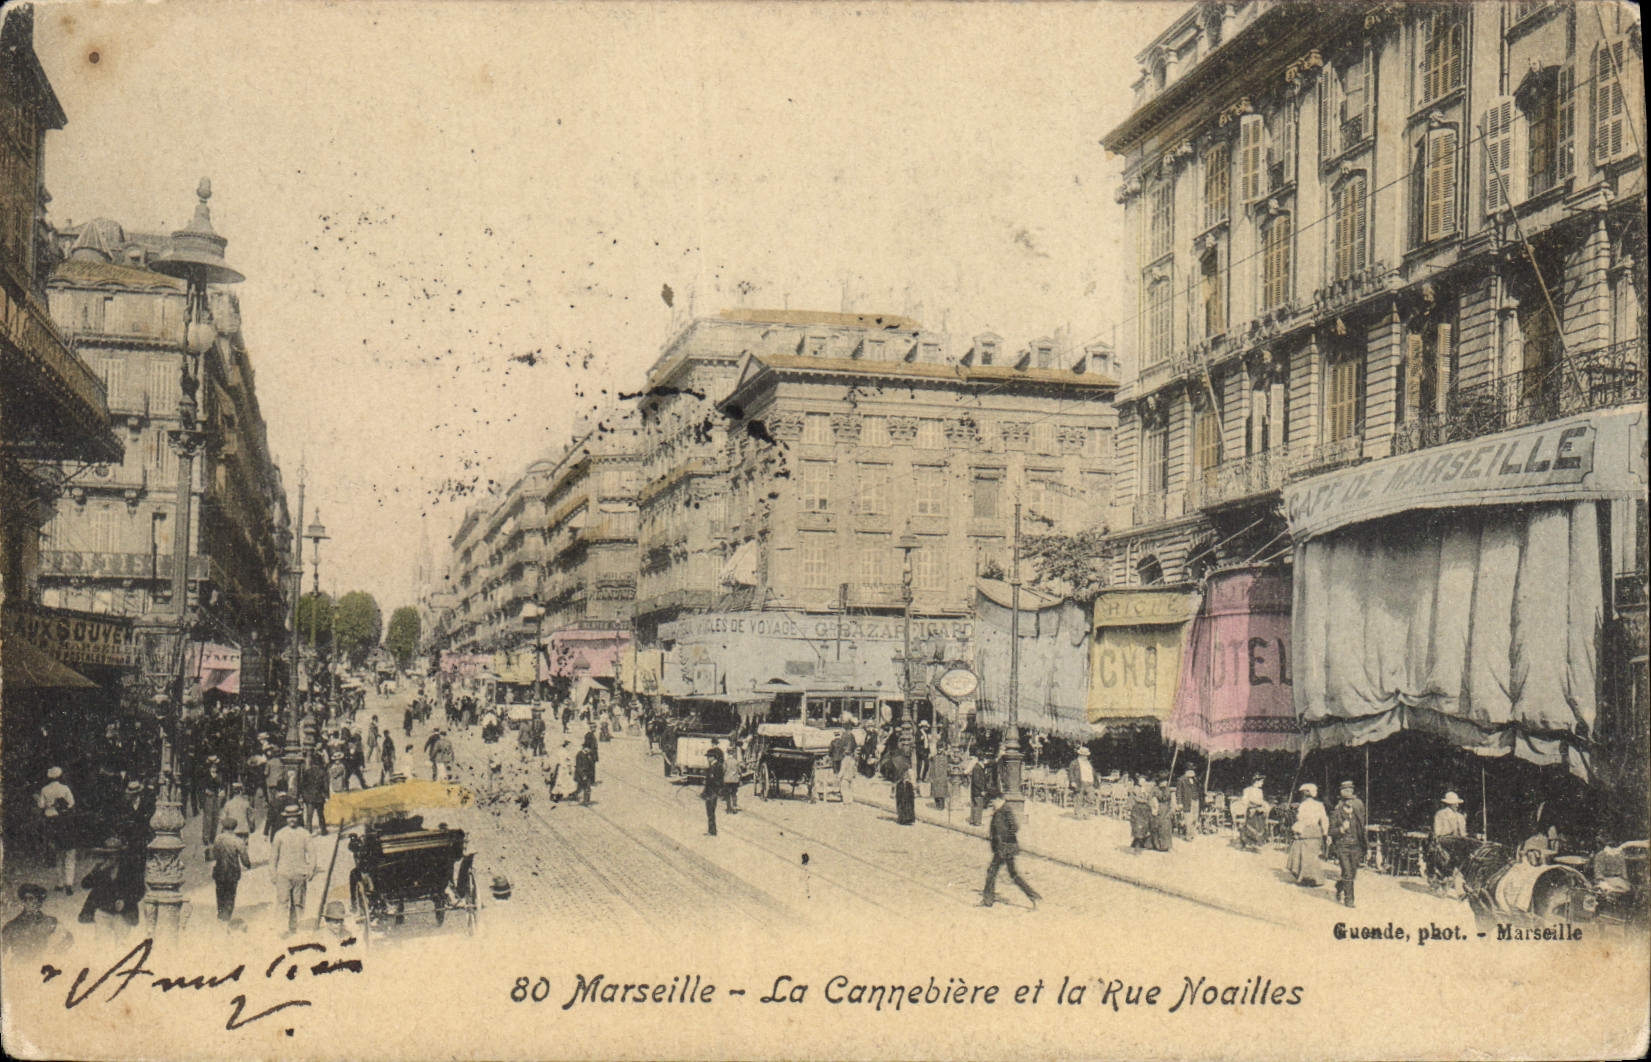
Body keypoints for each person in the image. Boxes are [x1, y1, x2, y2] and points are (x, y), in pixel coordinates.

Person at [980, 792, 1040, 908]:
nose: (992, 804)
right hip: (1003, 848)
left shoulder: (1006, 810)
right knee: (1012, 874)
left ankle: (987, 900)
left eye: (992, 802)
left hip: (1005, 848)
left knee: (992, 872)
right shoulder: (999, 810)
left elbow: (1015, 827)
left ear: (998, 799)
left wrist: (1002, 837)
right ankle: (1032, 895)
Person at [271, 804, 315, 935]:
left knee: (298, 904)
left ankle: (296, 929)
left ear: (298, 817)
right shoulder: (279, 834)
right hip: (283, 874)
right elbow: (273, 856)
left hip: (299, 874)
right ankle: (281, 930)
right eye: (289, 817)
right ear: (285, 818)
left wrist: (311, 869)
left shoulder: (305, 834)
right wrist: (273, 873)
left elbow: (312, 853)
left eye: (294, 817)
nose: (292, 820)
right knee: (282, 902)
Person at [36, 766, 77, 895]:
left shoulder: (44, 789)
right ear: (60, 776)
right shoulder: (65, 788)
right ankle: (69, 883)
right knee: (69, 853)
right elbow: (71, 803)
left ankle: (60, 883)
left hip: (51, 822)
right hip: (64, 822)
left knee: (57, 853)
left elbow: (41, 806)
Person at [1330, 780, 1367, 908]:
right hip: (1343, 846)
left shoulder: (1357, 812)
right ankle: (1349, 900)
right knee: (1347, 872)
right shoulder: (1336, 812)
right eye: (1347, 801)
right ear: (1343, 802)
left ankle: (1340, 885)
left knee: (1353, 873)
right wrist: (1341, 829)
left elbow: (1362, 829)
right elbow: (1331, 831)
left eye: (1352, 800)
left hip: (1356, 846)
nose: (1350, 803)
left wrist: (1364, 846)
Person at [3, 883, 65, 957]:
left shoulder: (51, 922)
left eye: (31, 899)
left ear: (38, 901)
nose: (27, 902)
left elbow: (66, 940)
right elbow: (3, 952)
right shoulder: (11, 926)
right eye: (25, 899)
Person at [211, 817, 253, 923]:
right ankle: (227, 915)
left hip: (219, 870)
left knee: (220, 892)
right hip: (232, 871)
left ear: (223, 827)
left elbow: (214, 854)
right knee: (230, 893)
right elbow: (244, 857)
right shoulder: (238, 840)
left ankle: (221, 914)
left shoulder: (218, 839)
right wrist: (247, 864)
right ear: (234, 827)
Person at [1287, 783, 1329, 886]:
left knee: (1302, 854)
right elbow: (1324, 819)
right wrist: (1325, 832)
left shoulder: (1303, 805)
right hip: (1315, 831)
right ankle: (1314, 878)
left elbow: (1300, 819)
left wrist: (1297, 830)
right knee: (1312, 855)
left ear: (1305, 794)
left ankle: (1304, 877)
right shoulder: (1320, 805)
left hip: (1305, 831)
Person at [1234, 775, 1271, 850]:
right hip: (1251, 811)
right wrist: (1252, 802)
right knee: (1250, 825)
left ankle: (1257, 843)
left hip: (1259, 811)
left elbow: (1261, 801)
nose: (1262, 783)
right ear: (1256, 781)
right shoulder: (1247, 790)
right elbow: (1244, 800)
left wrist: (1264, 805)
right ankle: (1246, 842)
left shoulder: (1260, 791)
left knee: (1260, 825)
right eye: (1261, 781)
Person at [300, 752, 330, 836]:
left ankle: (308, 831)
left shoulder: (307, 771)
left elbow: (303, 784)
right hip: (319, 796)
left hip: (309, 797)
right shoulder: (323, 772)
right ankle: (323, 830)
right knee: (321, 815)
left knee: (309, 816)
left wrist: (303, 795)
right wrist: (326, 795)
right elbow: (326, 785)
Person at [703, 739, 726, 836]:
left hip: (712, 793)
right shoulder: (716, 765)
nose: (707, 759)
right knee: (710, 813)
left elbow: (714, 781)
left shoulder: (714, 767)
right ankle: (711, 830)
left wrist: (708, 791)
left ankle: (712, 831)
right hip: (712, 792)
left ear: (713, 758)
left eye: (709, 757)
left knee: (710, 812)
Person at [830, 724, 858, 805]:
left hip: (842, 769)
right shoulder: (852, 736)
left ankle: (846, 800)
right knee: (850, 786)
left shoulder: (842, 738)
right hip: (850, 774)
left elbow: (843, 768)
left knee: (844, 786)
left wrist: (839, 776)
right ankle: (850, 800)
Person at [221, 783, 253, 849]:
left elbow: (223, 819)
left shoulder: (228, 804)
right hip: (244, 831)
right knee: (243, 850)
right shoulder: (246, 803)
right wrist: (251, 826)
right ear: (241, 792)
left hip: (232, 831)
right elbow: (251, 818)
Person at [1128, 776, 1154, 850]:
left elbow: (1150, 799)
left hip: (1145, 809)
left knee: (1145, 826)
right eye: (1141, 781)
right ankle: (1137, 844)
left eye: (1144, 782)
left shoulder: (1147, 790)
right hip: (1138, 809)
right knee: (1138, 826)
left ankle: (1142, 842)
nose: (1142, 783)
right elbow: (1133, 799)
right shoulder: (1135, 789)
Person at [1151, 774, 1175, 852]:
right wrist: (1155, 809)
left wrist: (1172, 809)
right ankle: (1158, 845)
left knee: (1167, 827)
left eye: (1166, 781)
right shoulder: (1155, 790)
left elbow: (1172, 800)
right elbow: (1153, 799)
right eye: (1163, 781)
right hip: (1159, 809)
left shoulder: (1169, 790)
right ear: (1159, 782)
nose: (1165, 783)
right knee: (1158, 826)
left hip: (1167, 809)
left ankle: (1168, 846)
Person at [1068, 749, 1095, 819]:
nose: (1086, 757)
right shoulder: (1074, 763)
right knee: (1079, 798)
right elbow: (1071, 773)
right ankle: (1079, 813)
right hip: (1080, 782)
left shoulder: (1088, 763)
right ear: (1080, 755)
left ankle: (1086, 812)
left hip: (1089, 783)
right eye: (1084, 755)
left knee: (1091, 798)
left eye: (1086, 755)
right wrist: (1072, 782)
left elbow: (1092, 772)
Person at [1175, 768, 1201, 839]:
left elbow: (1198, 788)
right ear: (1187, 771)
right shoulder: (1181, 780)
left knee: (1195, 818)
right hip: (1187, 801)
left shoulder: (1195, 779)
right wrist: (1179, 802)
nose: (1193, 773)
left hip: (1195, 800)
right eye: (1192, 771)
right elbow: (1178, 792)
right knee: (1188, 819)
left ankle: (1192, 833)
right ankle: (1188, 835)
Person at [968, 753, 989, 827]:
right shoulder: (977, 768)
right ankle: (977, 822)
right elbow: (977, 781)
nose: (987, 761)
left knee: (975, 805)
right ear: (983, 760)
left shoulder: (978, 767)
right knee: (978, 805)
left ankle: (973, 820)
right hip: (977, 790)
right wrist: (982, 790)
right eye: (986, 759)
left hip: (975, 790)